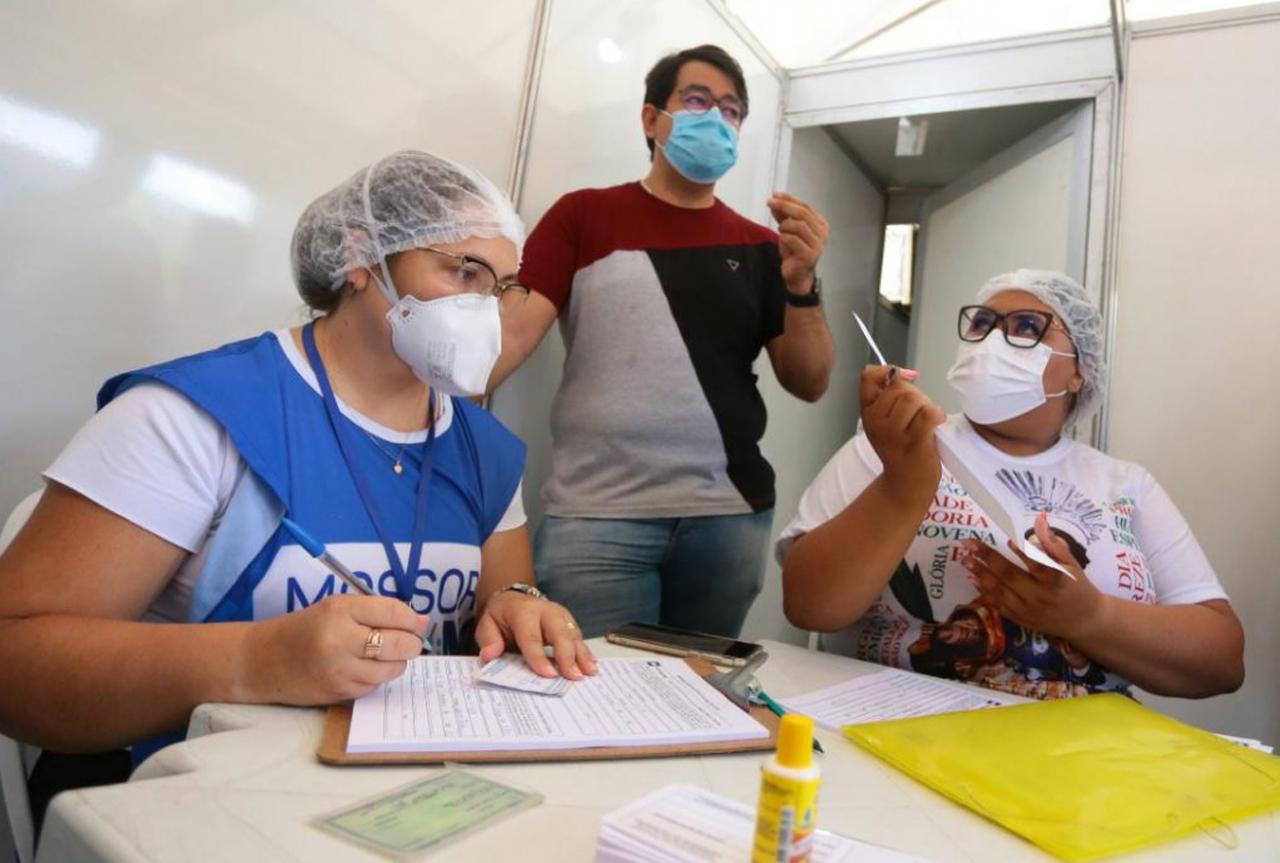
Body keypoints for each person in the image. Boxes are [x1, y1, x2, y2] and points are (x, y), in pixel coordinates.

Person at [0, 151, 596, 779]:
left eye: (500, 289)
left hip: (418, 793)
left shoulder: (483, 448)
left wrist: (516, 606)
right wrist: (256, 659)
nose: (486, 310)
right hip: (205, 795)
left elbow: (502, 597)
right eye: (464, 272)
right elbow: (16, 661)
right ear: (360, 259)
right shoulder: (194, 417)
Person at [489, 45, 836, 639]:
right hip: (597, 513)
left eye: (731, 111)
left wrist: (802, 283)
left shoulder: (762, 247)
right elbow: (507, 341)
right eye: (697, 101)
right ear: (653, 120)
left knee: (700, 700)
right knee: (588, 700)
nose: (716, 119)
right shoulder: (584, 215)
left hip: (729, 518)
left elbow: (809, 382)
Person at [778, 269, 1244, 699]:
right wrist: (902, 486)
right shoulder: (895, 443)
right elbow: (809, 607)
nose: (993, 339)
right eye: (982, 323)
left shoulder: (1125, 485)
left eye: (1026, 326)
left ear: (1080, 371)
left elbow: (1222, 662)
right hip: (899, 731)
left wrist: (1093, 618)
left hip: (1080, 761)